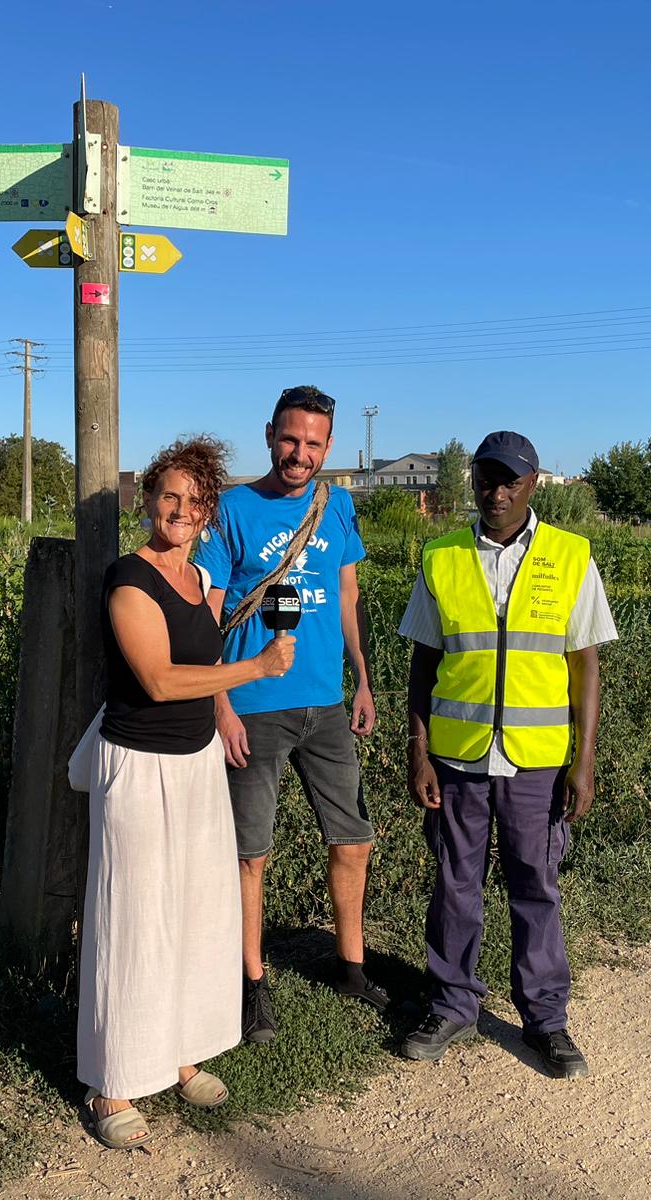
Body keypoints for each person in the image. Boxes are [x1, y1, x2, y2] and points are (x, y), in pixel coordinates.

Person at [77, 435, 296, 1149]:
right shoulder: (127, 580)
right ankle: (110, 1084)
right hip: (138, 766)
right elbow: (163, 680)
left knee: (194, 912)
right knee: (132, 919)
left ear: (207, 514)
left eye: (194, 501)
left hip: (197, 762)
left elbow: (212, 657)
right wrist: (257, 670)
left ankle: (179, 1056)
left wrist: (274, 632)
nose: (180, 509)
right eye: (168, 496)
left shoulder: (206, 582)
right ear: (147, 500)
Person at [396, 430, 617, 1079]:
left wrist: (583, 760)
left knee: (536, 888)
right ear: (473, 481)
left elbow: (586, 667)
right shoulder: (442, 557)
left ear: (533, 481)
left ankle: (546, 1020)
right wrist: (418, 749)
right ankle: (452, 1003)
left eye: (510, 480)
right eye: (486, 478)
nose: (496, 491)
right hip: (457, 757)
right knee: (454, 886)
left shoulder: (571, 556)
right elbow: (423, 662)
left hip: (536, 761)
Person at [197, 385, 388, 1045]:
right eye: (289, 439)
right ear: (269, 434)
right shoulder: (231, 510)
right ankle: (251, 986)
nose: (299, 453)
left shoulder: (337, 509)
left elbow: (347, 594)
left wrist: (362, 679)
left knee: (353, 840)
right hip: (251, 708)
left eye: (312, 443)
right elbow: (206, 614)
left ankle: (352, 967)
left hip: (325, 706)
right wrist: (220, 704)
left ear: (328, 446)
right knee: (251, 856)